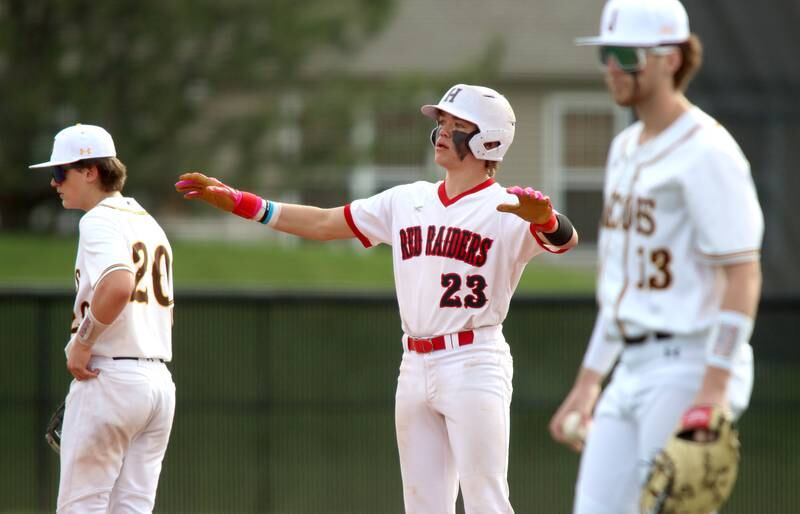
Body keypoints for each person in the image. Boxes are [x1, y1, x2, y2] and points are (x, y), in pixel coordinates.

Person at [175, 83, 578, 514]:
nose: (442, 132)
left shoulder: (508, 207)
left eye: (458, 125)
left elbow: (564, 240)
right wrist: (242, 203)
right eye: (441, 122)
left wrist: (548, 219)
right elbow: (324, 223)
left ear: (489, 139)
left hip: (474, 360)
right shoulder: (408, 200)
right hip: (415, 362)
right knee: (422, 506)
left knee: (486, 501)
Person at [548, 0, 764, 513]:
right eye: (606, 54)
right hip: (631, 365)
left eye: (626, 54)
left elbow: (744, 274)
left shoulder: (708, 150)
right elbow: (622, 284)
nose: (611, 67)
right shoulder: (623, 147)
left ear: (670, 58)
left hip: (688, 362)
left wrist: (712, 390)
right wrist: (587, 383)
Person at [30, 124, 176, 513]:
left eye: (60, 172)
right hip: (158, 384)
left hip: (110, 379)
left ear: (90, 171)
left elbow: (118, 284)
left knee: (82, 507)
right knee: (131, 508)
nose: (53, 182)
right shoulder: (148, 222)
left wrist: (83, 342)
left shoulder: (97, 220)